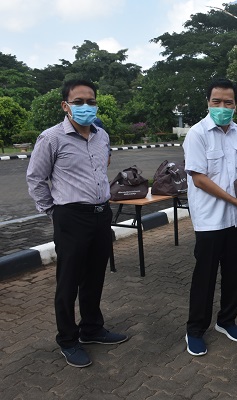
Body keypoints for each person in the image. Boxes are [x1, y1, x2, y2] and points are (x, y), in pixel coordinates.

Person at [26, 79, 128, 368]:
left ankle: (91, 329)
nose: (86, 106)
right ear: (65, 105)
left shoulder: (101, 136)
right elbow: (35, 179)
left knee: (95, 275)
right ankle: (68, 339)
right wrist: (54, 212)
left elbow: (99, 169)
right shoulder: (52, 138)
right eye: (79, 101)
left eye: (91, 101)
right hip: (71, 216)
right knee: (68, 281)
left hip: (100, 214)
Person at [182, 78, 237, 356]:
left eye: (228, 102)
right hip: (210, 220)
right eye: (217, 102)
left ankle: (226, 321)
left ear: (235, 105)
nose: (222, 107)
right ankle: (195, 330)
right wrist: (235, 199)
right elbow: (199, 179)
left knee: (234, 273)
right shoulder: (197, 134)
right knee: (205, 276)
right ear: (208, 103)